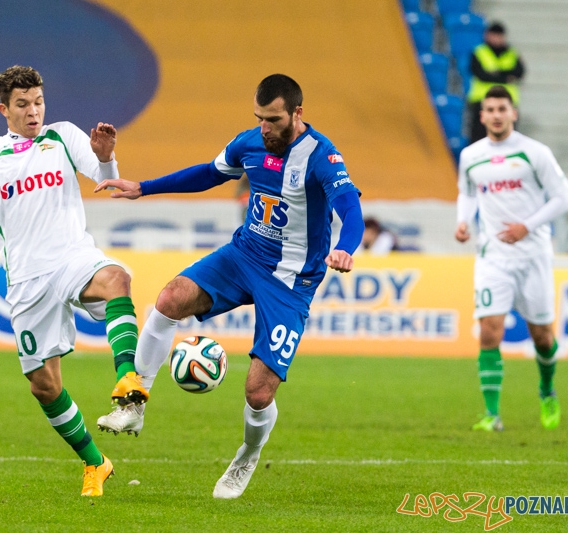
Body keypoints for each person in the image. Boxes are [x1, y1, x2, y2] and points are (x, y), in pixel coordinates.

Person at [95, 74, 365, 498]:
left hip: (291, 280)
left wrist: (346, 247)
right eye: (259, 118)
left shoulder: (322, 156)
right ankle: (134, 400)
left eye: (273, 119)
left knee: (258, 393)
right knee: (169, 299)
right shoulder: (250, 143)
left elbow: (350, 207)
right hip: (244, 255)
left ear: (297, 113)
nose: (265, 128)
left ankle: (247, 456)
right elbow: (208, 173)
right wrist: (143, 188)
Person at [0, 65, 149, 497]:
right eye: (23, 104)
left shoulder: (62, 135)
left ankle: (127, 380)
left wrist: (105, 156)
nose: (33, 111)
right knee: (45, 386)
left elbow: (105, 179)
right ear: (4, 109)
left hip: (71, 257)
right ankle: (96, 463)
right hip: (27, 280)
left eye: (38, 102)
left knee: (117, 278)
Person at [456, 85, 568, 432]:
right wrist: (462, 221)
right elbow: (467, 192)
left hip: (533, 254)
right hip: (493, 257)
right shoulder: (471, 155)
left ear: (513, 112)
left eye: (501, 108)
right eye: (489, 109)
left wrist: (527, 226)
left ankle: (547, 389)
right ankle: (493, 415)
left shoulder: (534, 152)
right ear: (482, 116)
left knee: (542, 337)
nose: (495, 114)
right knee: (489, 332)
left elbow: (562, 198)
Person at [466, 21, 525, 143]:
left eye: (499, 36)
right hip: (482, 102)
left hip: (507, 103)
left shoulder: (512, 53)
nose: (496, 39)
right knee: (480, 138)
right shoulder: (479, 52)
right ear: (487, 35)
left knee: (508, 140)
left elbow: (520, 73)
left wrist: (493, 74)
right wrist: (505, 76)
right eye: (494, 35)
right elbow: (480, 74)